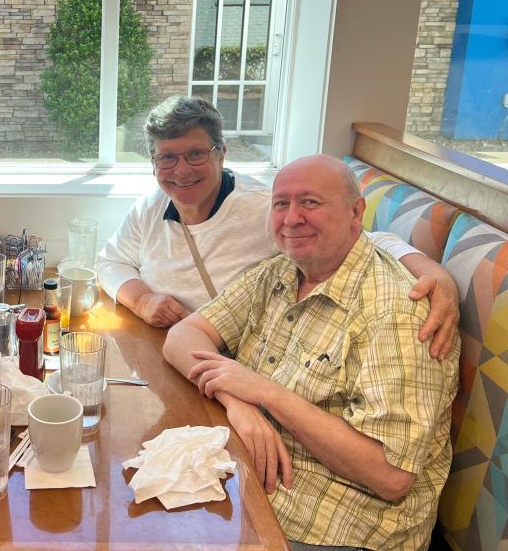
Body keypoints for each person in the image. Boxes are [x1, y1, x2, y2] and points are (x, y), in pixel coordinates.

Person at [164, 155, 459, 551]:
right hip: (248, 479)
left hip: (339, 528)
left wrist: (264, 392)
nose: (291, 218)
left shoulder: (397, 313)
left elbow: (390, 476)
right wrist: (237, 400)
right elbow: (182, 336)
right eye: (281, 203)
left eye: (311, 203)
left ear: (356, 212)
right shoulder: (280, 272)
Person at [96, 95, 459, 359]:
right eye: (167, 158)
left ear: (221, 154)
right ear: (153, 162)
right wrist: (143, 300)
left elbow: (357, 239)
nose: (181, 170)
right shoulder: (151, 206)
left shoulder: (264, 206)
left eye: (195, 154)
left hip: (233, 361)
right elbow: (111, 262)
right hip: (164, 349)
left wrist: (435, 275)